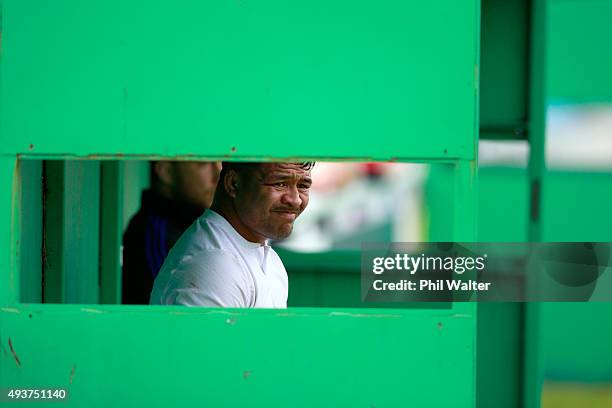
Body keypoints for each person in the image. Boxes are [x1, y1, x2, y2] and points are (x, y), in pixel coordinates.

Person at [150, 161, 314, 308]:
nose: (295, 200)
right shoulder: (214, 263)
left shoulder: (265, 256)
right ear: (233, 184)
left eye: (303, 186)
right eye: (279, 183)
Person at [122, 161, 221, 304]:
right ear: (165, 171)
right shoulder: (154, 235)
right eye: (203, 163)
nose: (217, 174)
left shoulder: (194, 222)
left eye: (219, 163)